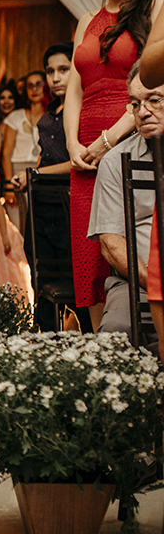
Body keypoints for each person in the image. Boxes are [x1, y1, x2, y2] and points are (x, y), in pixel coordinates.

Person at [64, 0, 162, 332]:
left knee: (132, 240)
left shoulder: (157, 6)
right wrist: (73, 144)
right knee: (91, 260)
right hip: (85, 149)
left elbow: (149, 80)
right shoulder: (86, 19)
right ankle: (103, 359)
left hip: (134, 132)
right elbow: (74, 89)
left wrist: (109, 141)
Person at [10, 42, 90, 332]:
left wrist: (36, 173)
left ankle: (86, 343)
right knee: (39, 275)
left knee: (75, 278)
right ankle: (46, 340)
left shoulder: (82, 108)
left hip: (71, 203)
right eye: (50, 71)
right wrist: (33, 176)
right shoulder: (51, 111)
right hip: (42, 202)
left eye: (63, 69)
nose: (55, 77)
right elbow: (47, 154)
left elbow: (80, 159)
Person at [87, 61, 161, 352]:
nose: (142, 112)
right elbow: (111, 244)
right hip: (134, 283)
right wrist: (155, 284)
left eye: (154, 100)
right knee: (115, 336)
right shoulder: (116, 161)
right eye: (135, 103)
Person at [2, 71, 46, 230]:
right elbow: (6, 153)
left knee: (36, 224)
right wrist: (8, 185)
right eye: (30, 86)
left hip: (40, 170)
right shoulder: (15, 116)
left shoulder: (51, 116)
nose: (35, 89)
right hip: (15, 172)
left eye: (39, 84)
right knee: (16, 224)